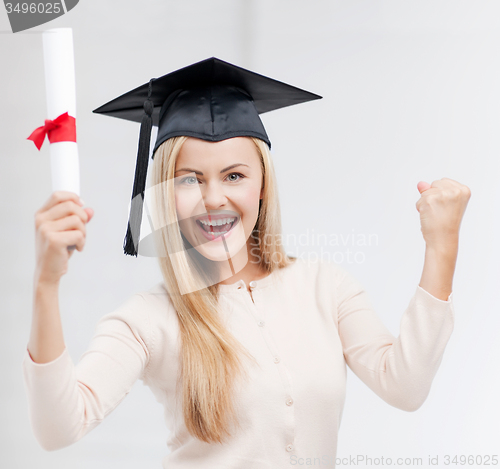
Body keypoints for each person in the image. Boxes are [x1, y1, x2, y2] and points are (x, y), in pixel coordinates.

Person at [23, 58, 471, 469]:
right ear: (164, 193)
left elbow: (405, 386)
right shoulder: (148, 319)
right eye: (189, 179)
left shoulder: (324, 287)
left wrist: (441, 246)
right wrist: (46, 284)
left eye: (234, 175)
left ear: (262, 185)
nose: (213, 198)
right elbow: (59, 428)